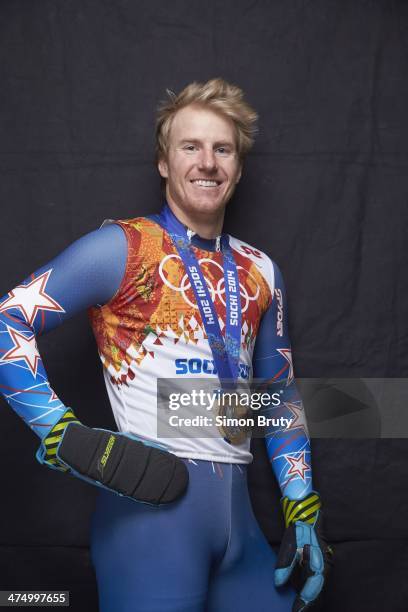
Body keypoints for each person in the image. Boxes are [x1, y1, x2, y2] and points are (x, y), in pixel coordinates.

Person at [0, 78, 331, 612]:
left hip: (241, 523)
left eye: (223, 149)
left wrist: (300, 503)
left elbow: (279, 391)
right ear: (164, 162)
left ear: (238, 168)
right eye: (190, 147)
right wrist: (61, 434)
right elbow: (7, 321)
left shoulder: (261, 269)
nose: (208, 162)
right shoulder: (121, 248)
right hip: (149, 511)